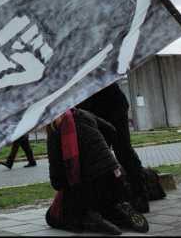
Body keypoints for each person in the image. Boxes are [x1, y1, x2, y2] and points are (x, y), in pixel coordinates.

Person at [45, 108, 148, 235]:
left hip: (91, 184)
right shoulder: (84, 114)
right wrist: (101, 148)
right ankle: (120, 211)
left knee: (51, 217)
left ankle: (90, 218)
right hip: (116, 175)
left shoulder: (55, 132)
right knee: (107, 203)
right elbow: (111, 129)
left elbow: (57, 182)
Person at [77, 83, 150, 213]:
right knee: (107, 155)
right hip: (99, 110)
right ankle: (111, 197)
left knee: (122, 151)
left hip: (112, 108)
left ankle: (139, 195)